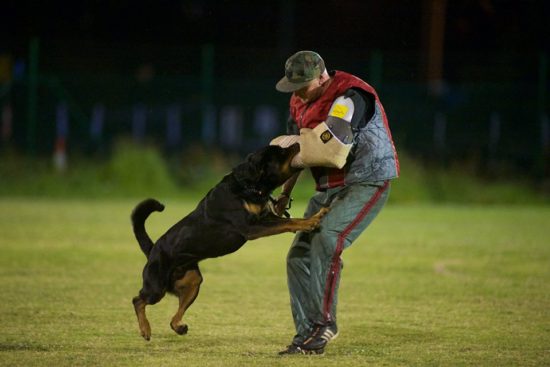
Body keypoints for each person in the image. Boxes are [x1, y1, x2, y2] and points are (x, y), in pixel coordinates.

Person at [271, 50, 399, 355]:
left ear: (322, 76)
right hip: (329, 188)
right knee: (298, 256)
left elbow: (332, 148)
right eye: (293, 87)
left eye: (303, 85)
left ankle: (325, 324)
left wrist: (298, 144)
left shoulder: (352, 95)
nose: (298, 93)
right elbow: (297, 157)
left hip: (366, 181)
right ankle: (308, 336)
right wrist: (284, 194)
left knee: (328, 238)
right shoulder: (299, 102)